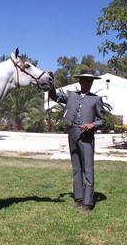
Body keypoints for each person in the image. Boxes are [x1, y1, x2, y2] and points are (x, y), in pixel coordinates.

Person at [48, 69, 105, 215]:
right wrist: (51, 82)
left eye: (90, 81)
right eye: (85, 80)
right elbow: (54, 96)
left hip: (86, 137)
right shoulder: (71, 96)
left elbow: (102, 120)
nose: (88, 83)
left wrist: (93, 125)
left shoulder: (96, 99)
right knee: (76, 168)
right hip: (72, 134)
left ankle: (87, 203)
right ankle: (78, 198)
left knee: (88, 169)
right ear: (80, 81)